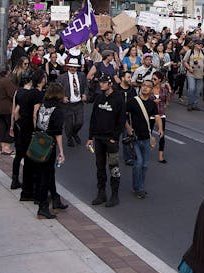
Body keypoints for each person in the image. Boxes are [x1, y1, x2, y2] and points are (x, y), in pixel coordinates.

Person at [86, 73, 125, 208]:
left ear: (110, 84)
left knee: (113, 167)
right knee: (100, 167)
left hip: (111, 140)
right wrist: (90, 137)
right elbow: (93, 118)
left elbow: (121, 121)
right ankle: (101, 193)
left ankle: (115, 195)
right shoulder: (99, 98)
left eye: (103, 82)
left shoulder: (118, 99)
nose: (101, 84)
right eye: (100, 82)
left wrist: (115, 137)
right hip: (98, 139)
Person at [33, 82, 68, 219]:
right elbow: (58, 132)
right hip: (49, 144)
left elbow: (37, 121)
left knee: (47, 173)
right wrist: (61, 151)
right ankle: (43, 206)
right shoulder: (58, 110)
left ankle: (55, 198)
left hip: (39, 142)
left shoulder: (43, 105)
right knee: (45, 176)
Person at [10, 70, 45, 197]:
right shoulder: (33, 94)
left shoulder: (19, 93)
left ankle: (15, 179)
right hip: (30, 129)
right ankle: (32, 186)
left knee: (19, 155)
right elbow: (35, 114)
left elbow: (15, 112)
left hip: (21, 128)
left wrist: (14, 125)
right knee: (31, 159)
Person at [126, 79, 163, 199]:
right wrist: (128, 128)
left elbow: (157, 117)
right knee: (139, 163)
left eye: (148, 86)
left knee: (145, 165)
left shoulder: (152, 104)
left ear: (151, 90)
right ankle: (138, 188)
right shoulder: (133, 101)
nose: (145, 88)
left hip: (146, 137)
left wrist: (160, 129)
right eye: (143, 85)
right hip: (135, 138)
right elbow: (123, 115)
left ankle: (139, 186)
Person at [57, 56, 87, 147]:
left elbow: (86, 86)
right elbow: (56, 90)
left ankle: (74, 133)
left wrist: (85, 94)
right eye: (71, 67)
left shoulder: (81, 76)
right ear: (68, 67)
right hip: (67, 104)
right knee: (68, 124)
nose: (73, 68)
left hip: (78, 103)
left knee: (80, 122)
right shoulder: (62, 77)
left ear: (77, 67)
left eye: (75, 67)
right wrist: (62, 98)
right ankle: (69, 138)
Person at [0, 66, 17, 155]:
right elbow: (14, 94)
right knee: (10, 127)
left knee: (3, 127)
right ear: (7, 73)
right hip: (6, 108)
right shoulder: (6, 82)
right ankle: (6, 148)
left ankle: (3, 147)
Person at [151, 70, 172, 164]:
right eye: (152, 78)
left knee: (162, 135)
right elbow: (143, 99)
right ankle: (142, 152)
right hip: (150, 114)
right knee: (147, 133)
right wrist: (152, 102)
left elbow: (168, 101)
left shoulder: (163, 90)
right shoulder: (148, 87)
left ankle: (161, 156)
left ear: (159, 80)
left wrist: (169, 89)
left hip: (161, 113)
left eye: (154, 79)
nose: (153, 80)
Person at [184, 40, 204, 111]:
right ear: (195, 45)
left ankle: (195, 105)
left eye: (201, 44)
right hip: (191, 74)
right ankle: (190, 103)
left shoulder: (203, 52)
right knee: (191, 89)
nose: (201, 45)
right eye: (199, 44)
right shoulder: (190, 52)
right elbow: (184, 61)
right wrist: (188, 67)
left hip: (200, 74)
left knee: (198, 91)